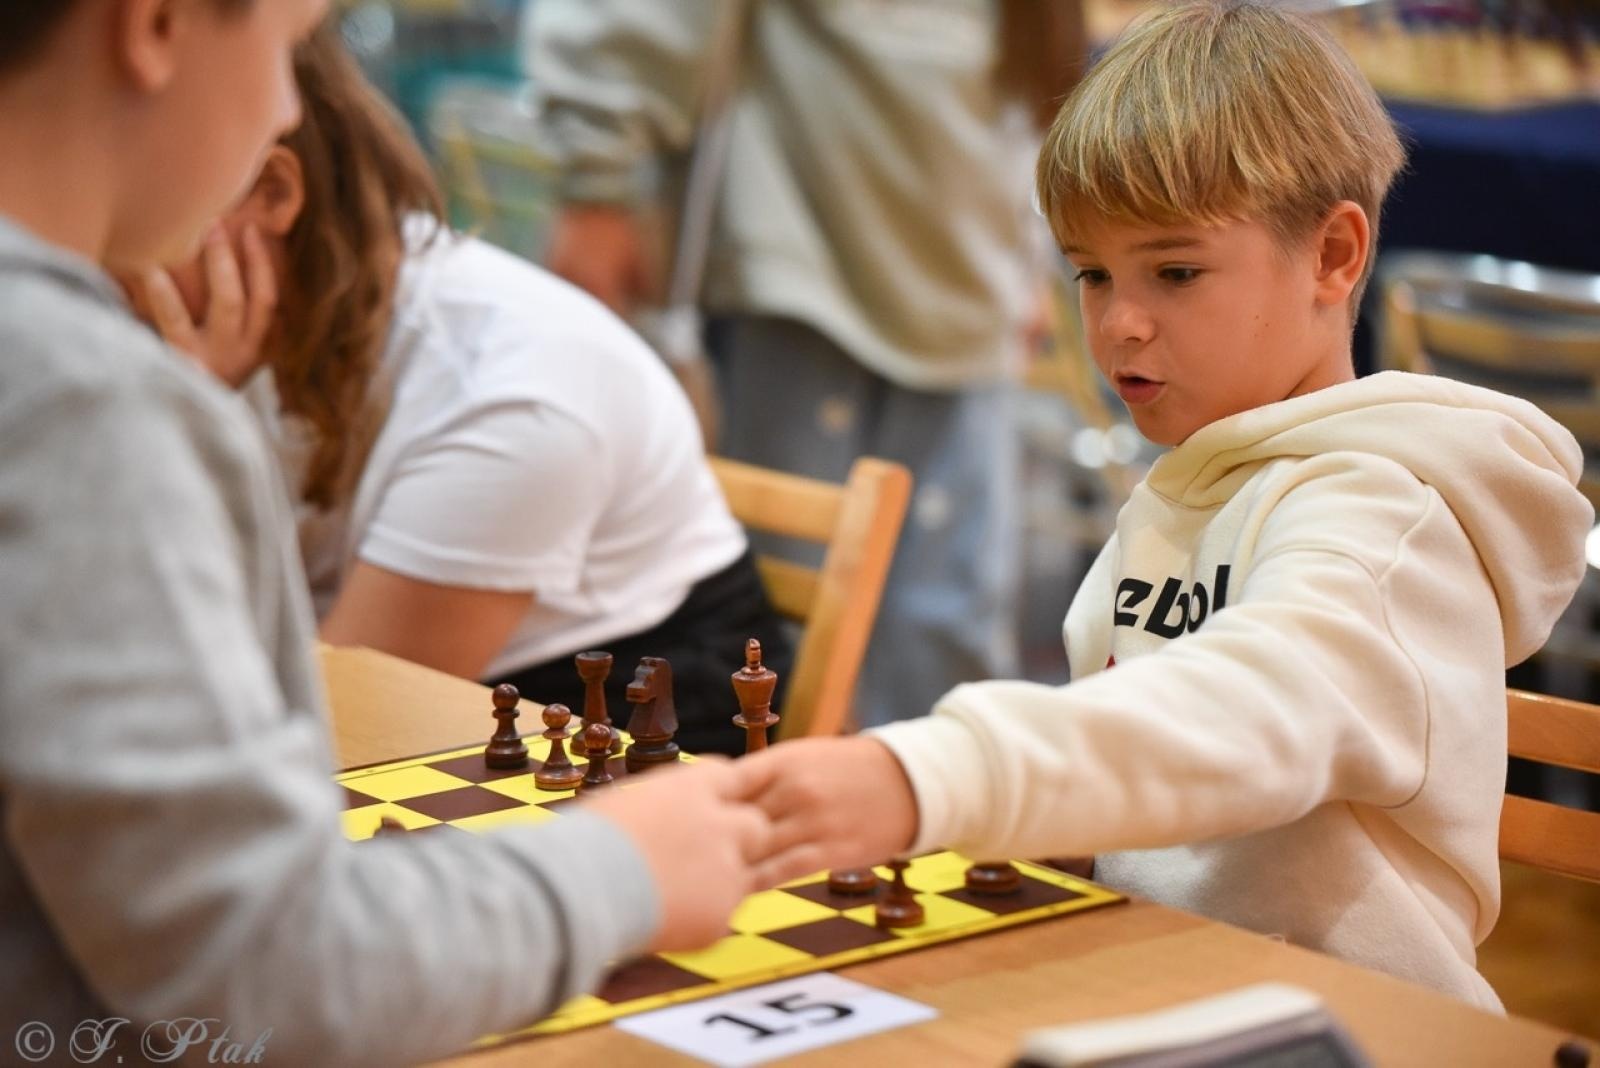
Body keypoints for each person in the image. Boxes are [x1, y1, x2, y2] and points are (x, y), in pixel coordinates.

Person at [740, 0, 1593, 1010]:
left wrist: (936, 772)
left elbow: (1253, 705)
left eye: (1175, 272)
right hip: (1164, 979)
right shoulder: (1193, 475)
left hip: (1349, 1022)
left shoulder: (1380, 517)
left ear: (1333, 255)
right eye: (1092, 275)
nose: (1119, 325)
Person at [0, 3, 803, 1063]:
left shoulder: (510, 391)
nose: (293, 107)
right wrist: (617, 870)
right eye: (289, 49)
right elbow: (275, 960)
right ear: (153, 24)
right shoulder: (87, 403)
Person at [131, 26, 791, 757]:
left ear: (273, 193)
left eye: (126, 196)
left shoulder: (513, 400)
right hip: (394, 719)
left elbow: (331, 739)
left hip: (623, 742)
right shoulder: (229, 324)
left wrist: (177, 433)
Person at [526, 1, 1086, 728]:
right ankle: (776, 823)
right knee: (777, 635)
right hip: (801, 278)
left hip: (969, 295)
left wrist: (1024, 250)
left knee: (948, 633)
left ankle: (929, 829)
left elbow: (1019, 78)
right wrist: (596, 181)